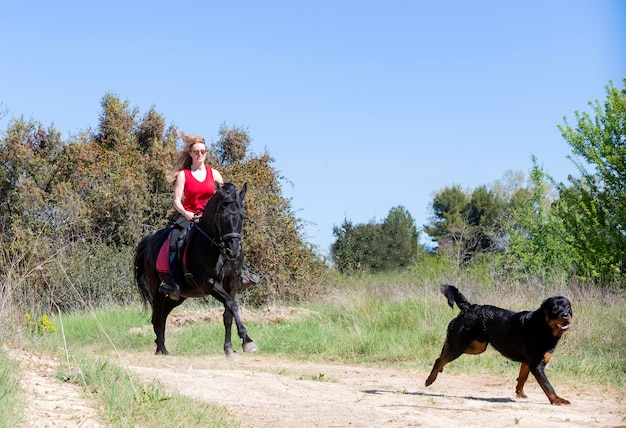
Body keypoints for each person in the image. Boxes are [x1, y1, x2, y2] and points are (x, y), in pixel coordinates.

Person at [159, 131, 258, 301]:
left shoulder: (214, 174)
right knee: (175, 238)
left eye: (202, 152)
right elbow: (176, 201)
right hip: (189, 215)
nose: (199, 154)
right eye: (196, 151)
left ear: (206, 154)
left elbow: (226, 196)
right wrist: (186, 213)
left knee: (232, 236)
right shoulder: (184, 175)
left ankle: (242, 274)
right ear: (190, 153)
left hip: (210, 218)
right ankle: (172, 282)